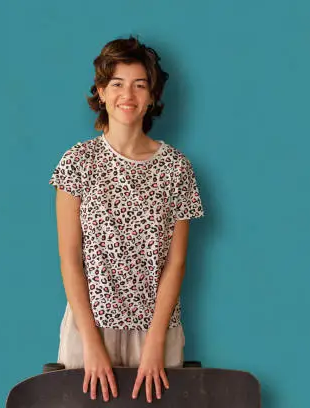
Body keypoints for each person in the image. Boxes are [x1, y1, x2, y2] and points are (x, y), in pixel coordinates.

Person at [48, 36, 204, 404]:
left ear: (152, 96)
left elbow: (176, 262)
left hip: (156, 330)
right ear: (101, 91)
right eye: (116, 83)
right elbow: (70, 259)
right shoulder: (77, 162)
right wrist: (91, 343)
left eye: (139, 84)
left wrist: (156, 342)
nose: (127, 94)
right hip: (91, 325)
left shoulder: (177, 168)